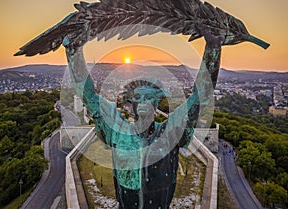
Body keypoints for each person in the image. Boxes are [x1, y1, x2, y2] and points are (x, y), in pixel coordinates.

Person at [65, 28, 222, 209]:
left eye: (148, 98)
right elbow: (89, 96)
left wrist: (213, 48)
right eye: (137, 98)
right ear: (130, 104)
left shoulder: (169, 131)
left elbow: (200, 96)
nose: (142, 102)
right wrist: (73, 51)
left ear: (156, 104)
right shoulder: (118, 131)